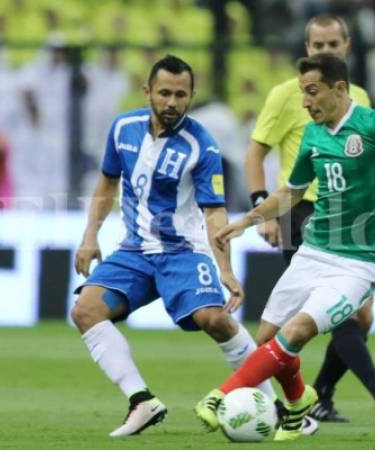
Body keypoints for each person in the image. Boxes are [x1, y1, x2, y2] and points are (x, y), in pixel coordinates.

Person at [196, 53, 375, 441]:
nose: (305, 102)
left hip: (358, 263)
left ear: (340, 89)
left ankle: (221, 396)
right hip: (313, 251)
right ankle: (299, 403)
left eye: (312, 91)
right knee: (268, 338)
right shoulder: (313, 133)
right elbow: (291, 192)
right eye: (303, 92)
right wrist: (245, 221)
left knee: (298, 330)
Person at [71, 55, 276, 438]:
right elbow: (106, 183)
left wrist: (225, 269)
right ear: (148, 91)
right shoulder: (123, 128)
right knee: (85, 310)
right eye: (164, 92)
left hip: (183, 251)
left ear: (192, 95)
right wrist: (89, 236)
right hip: (134, 251)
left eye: (181, 95)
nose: (172, 102)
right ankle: (141, 401)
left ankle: (272, 404)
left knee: (215, 320)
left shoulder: (202, 146)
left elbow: (214, 212)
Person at [245, 13, 375, 423]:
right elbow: (256, 150)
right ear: (306, 48)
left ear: (346, 47)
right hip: (298, 212)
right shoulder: (287, 94)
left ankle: (319, 395)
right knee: (341, 314)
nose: (326, 51)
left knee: (362, 317)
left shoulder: (359, 98)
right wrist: (261, 205)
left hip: (351, 216)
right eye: (318, 46)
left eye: (333, 45)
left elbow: (373, 162)